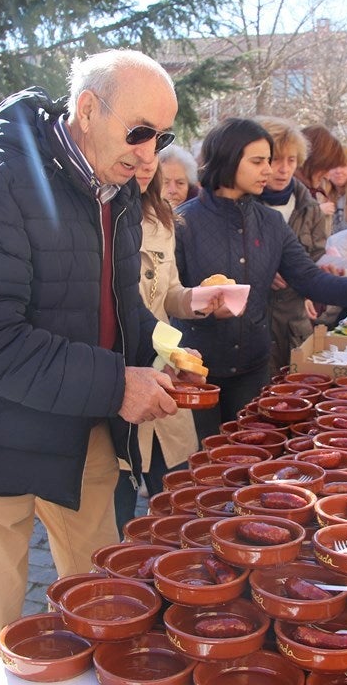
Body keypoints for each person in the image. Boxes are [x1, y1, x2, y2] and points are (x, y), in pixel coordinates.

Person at [0, 49, 194, 681]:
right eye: (140, 133)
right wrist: (116, 384)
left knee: (104, 596)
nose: (151, 154)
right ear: (88, 110)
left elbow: (120, 308)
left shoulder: (118, 191)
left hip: (75, 425)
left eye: (163, 138)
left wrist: (166, 352)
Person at [173, 118, 347, 441]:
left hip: (253, 369)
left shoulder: (270, 223)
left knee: (248, 458)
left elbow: (308, 278)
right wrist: (201, 306)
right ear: (229, 160)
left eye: (269, 161)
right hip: (196, 370)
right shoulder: (183, 222)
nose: (269, 170)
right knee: (198, 467)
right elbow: (165, 296)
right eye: (258, 161)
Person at [112, 154, 220, 534]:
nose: (144, 162)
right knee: (117, 506)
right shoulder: (102, 215)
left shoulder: (163, 220)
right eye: (134, 152)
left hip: (167, 367)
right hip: (121, 373)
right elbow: (123, 312)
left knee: (174, 497)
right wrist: (170, 348)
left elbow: (169, 293)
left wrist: (202, 300)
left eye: (152, 154)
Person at [256, 116, 329, 375]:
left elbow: (317, 257)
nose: (284, 169)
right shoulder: (243, 204)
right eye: (276, 159)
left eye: (291, 160)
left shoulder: (310, 207)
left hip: (294, 327)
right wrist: (261, 269)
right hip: (254, 328)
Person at [296, 124, 347, 232]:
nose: (328, 176)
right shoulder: (286, 192)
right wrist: (316, 213)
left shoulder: (312, 192)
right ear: (314, 161)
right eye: (325, 168)